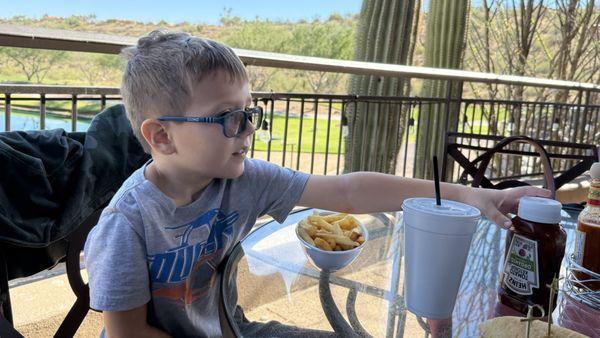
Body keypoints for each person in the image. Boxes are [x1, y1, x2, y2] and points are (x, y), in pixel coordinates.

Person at [83, 30, 550, 338]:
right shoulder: (127, 223)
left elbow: (346, 191)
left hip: (228, 324)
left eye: (249, 113)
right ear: (162, 136)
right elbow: (127, 334)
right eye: (228, 118)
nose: (247, 129)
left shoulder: (243, 178)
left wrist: (471, 194)